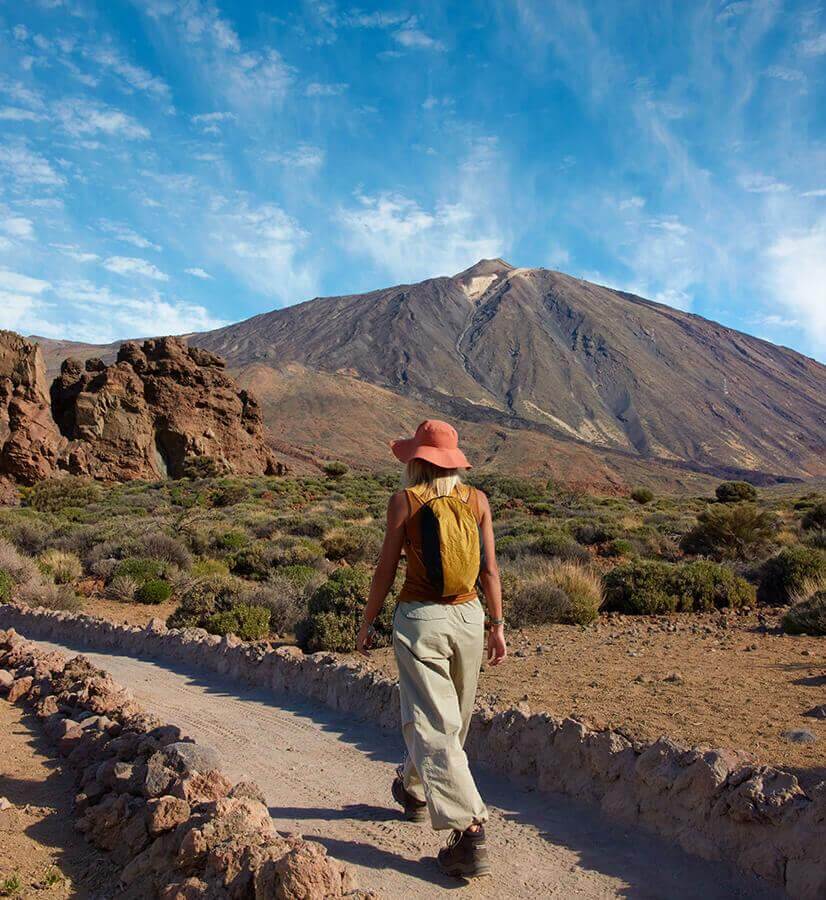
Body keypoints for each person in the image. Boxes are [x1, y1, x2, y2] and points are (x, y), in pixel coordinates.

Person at [356, 419, 507, 879]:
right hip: (469, 619)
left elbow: (385, 569)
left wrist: (367, 621)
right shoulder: (477, 499)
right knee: (451, 719)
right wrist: (497, 626)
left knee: (431, 721)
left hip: (421, 620)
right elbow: (490, 571)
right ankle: (415, 791)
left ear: (416, 461)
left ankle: (470, 829)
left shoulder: (404, 502)